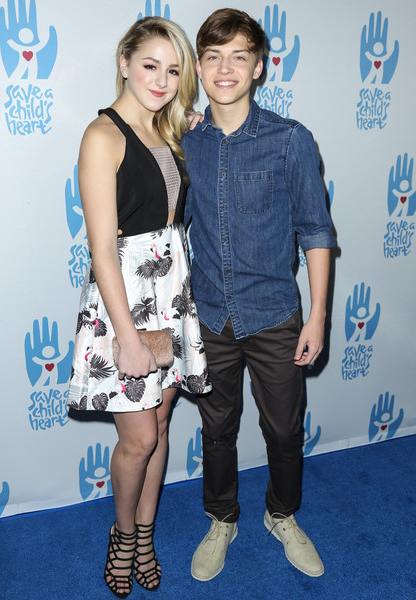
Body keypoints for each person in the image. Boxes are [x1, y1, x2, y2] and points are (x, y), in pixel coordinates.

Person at [182, 8, 336, 582]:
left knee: (285, 431)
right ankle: (221, 518)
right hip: (210, 315)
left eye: (239, 56)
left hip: (275, 315)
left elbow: (316, 231)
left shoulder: (290, 139)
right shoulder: (183, 140)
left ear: (259, 67)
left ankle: (281, 514)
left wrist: (317, 317)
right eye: (214, 57)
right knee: (217, 430)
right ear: (199, 67)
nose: (226, 68)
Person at [67, 17, 211, 598]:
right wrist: (126, 338)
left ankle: (146, 535)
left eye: (173, 70)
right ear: (124, 62)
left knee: (161, 423)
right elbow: (102, 249)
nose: (161, 80)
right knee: (139, 439)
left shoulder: (170, 129)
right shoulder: (102, 137)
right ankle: (123, 534)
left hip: (171, 291)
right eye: (150, 65)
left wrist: (189, 123)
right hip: (124, 299)